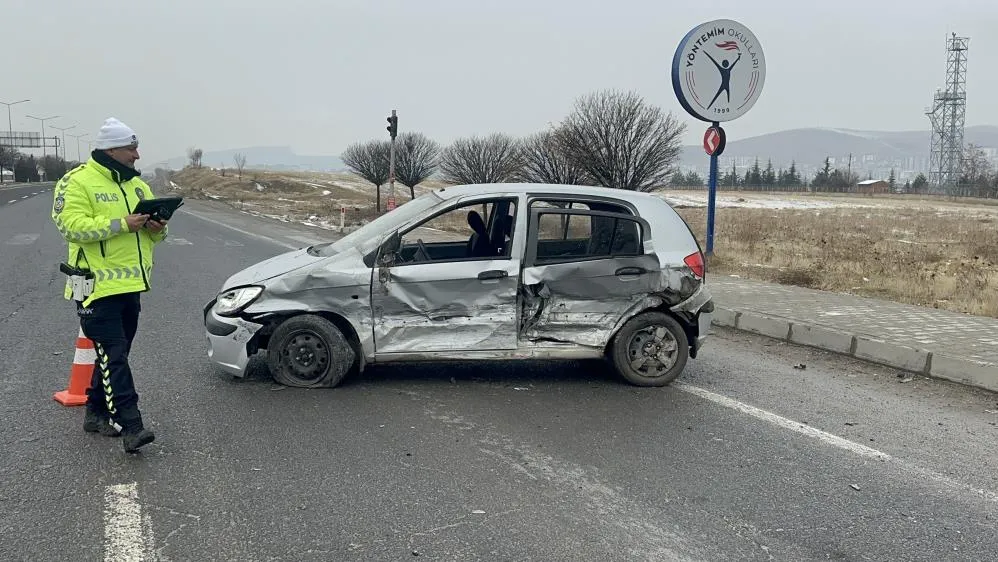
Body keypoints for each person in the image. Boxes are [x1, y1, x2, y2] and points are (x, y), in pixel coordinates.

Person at [51, 117, 168, 453]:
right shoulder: (77, 181)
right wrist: (121, 224)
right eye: (131, 148)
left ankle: (95, 412)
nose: (137, 155)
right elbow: (70, 226)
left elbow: (153, 238)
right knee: (114, 355)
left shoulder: (137, 186)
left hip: (130, 285)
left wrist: (157, 227)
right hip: (93, 287)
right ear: (111, 150)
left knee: (115, 354)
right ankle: (131, 426)